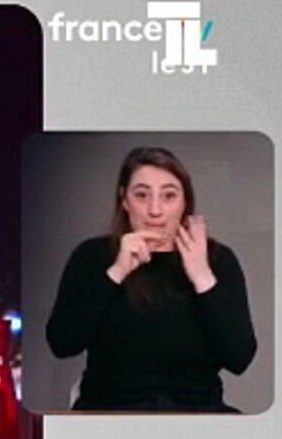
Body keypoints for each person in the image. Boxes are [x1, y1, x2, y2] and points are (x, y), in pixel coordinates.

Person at [45, 146, 257, 412]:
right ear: (124, 200)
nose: (155, 210)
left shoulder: (218, 259)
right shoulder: (93, 255)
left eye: (169, 196)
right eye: (142, 195)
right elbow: (62, 344)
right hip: (110, 413)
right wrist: (116, 272)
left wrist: (202, 276)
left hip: (198, 414)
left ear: (184, 203)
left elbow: (239, 359)